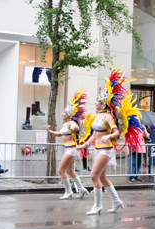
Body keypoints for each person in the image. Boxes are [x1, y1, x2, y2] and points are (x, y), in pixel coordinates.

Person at [77, 66, 144, 215]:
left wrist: (109, 136)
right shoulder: (96, 117)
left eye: (97, 101)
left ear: (103, 103)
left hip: (106, 150)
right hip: (98, 149)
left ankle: (98, 205)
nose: (95, 103)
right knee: (102, 177)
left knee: (93, 176)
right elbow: (95, 134)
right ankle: (116, 201)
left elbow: (116, 131)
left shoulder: (107, 117)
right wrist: (85, 144)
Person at [45, 88, 89, 200]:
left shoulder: (71, 123)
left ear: (69, 114)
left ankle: (69, 191)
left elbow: (76, 127)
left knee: (61, 170)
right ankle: (81, 189)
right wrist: (49, 131)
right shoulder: (66, 124)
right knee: (69, 170)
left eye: (64, 113)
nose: (62, 114)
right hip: (69, 149)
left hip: (71, 150)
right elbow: (60, 134)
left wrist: (75, 127)